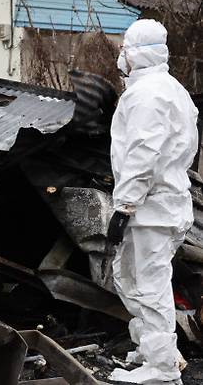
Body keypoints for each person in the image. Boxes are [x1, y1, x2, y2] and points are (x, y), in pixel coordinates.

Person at [107, 19, 199, 384]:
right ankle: (153, 349)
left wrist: (125, 205)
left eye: (124, 49)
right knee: (128, 276)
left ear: (136, 53)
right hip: (159, 203)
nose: (120, 56)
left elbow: (143, 152)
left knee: (149, 284)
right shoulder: (169, 88)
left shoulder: (148, 94)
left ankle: (162, 370)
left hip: (151, 207)